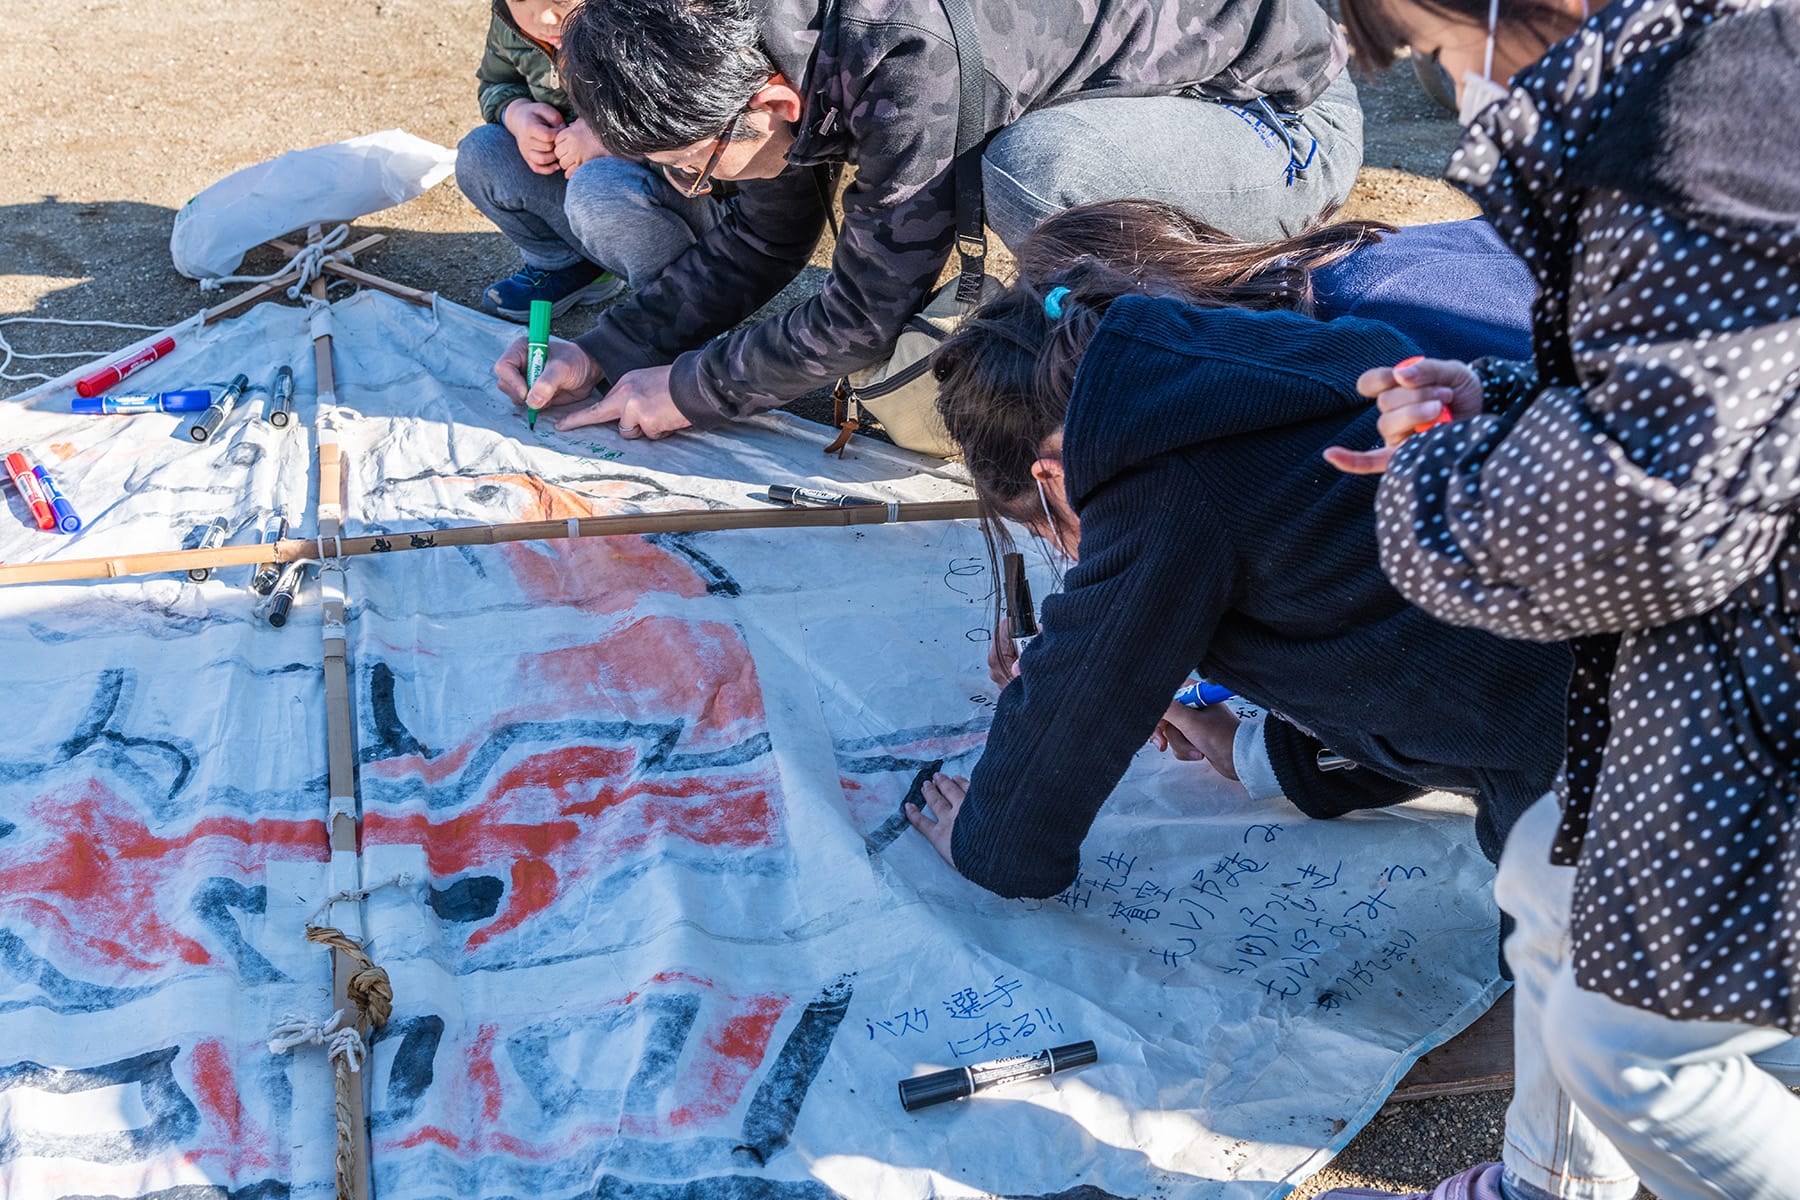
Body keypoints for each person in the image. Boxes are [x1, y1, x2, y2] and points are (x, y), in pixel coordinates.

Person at [1319, 0, 1800, 1196]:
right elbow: (1702, 394)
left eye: (1428, 55)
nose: (1448, 91)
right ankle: (1551, 1185)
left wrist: (1438, 474)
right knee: (1545, 869)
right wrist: (1501, 404)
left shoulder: (1717, 103)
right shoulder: (1712, 66)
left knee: (1633, 1050)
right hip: (1753, 638)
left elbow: (1658, 503)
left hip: (1763, 650)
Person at [894, 200, 1572, 904]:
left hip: (1600, 753)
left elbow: (1070, 712)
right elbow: (1404, 660)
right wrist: (1255, 750)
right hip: (1605, 661)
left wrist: (984, 843)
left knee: (1590, 989)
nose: (1073, 555)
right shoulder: (1270, 369)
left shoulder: (1159, 487)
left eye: (1048, 530)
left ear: (1052, 476)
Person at [496, 0, 1366, 440]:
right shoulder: (749, 37)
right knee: (1031, 172)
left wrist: (688, 390)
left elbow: (861, 318)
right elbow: (765, 236)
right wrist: (606, 350)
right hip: (1152, 95)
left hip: (1279, 115)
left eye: (693, 170)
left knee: (1032, 177)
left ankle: (1202, 365)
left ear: (773, 99)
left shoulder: (907, 59)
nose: (692, 190)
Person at [455, 0, 726, 321]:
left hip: (685, 201)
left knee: (595, 189)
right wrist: (514, 112)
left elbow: (709, 137)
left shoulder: (659, 18)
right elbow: (498, 81)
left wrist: (614, 138)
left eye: (562, 1)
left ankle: (682, 308)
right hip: (589, 192)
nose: (544, 16)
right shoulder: (513, 22)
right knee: (481, 152)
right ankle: (570, 267)